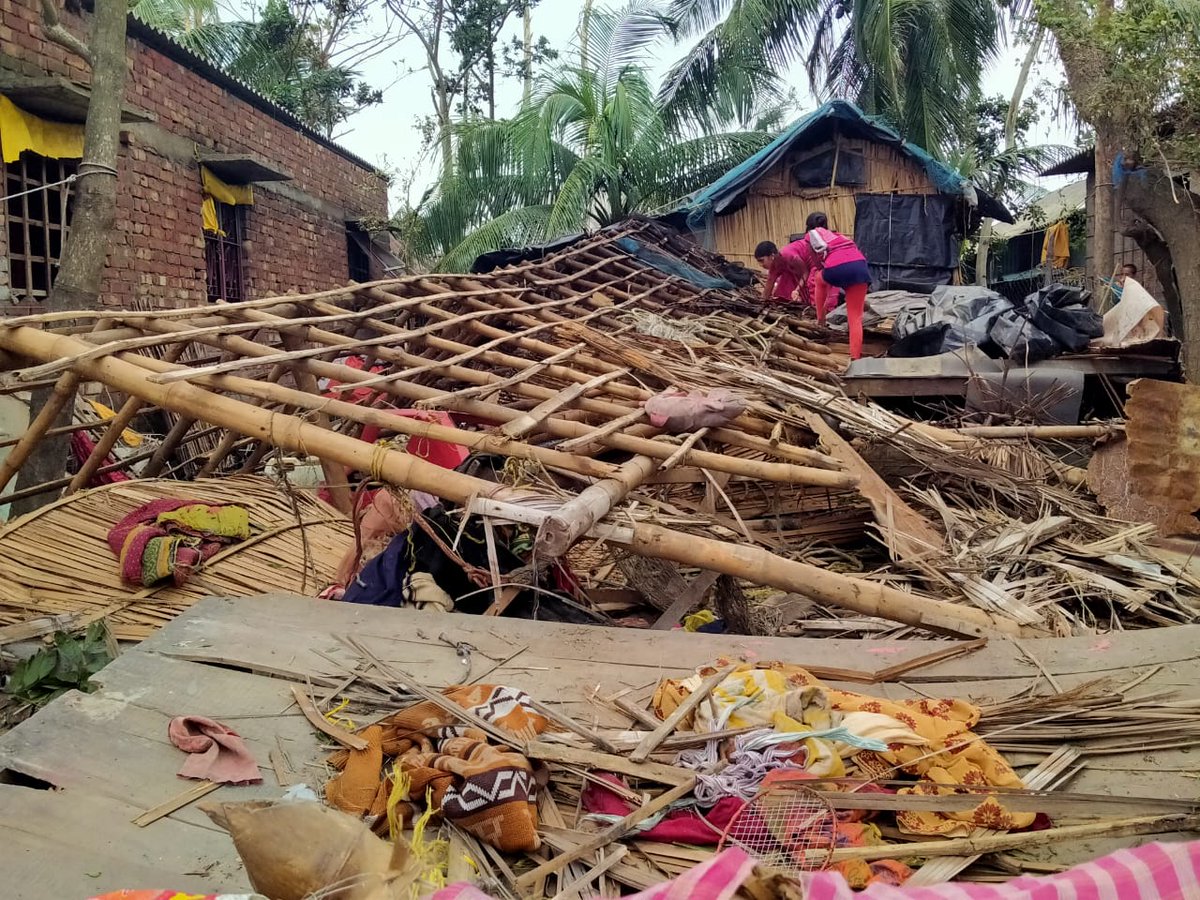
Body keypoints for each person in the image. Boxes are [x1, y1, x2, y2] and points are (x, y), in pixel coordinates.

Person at [803, 214, 871, 360]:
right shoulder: (838, 235)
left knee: (819, 278)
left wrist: (826, 269)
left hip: (837, 269)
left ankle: (821, 319)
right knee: (855, 318)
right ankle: (855, 358)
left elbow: (816, 263)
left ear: (808, 226)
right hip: (860, 268)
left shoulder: (811, 235)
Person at [754, 239, 804, 305]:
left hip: (808, 272)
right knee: (781, 292)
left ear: (772, 256)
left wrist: (797, 290)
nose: (761, 265)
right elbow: (769, 283)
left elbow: (805, 273)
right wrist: (761, 304)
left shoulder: (789, 256)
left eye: (762, 260)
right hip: (799, 277)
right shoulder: (775, 266)